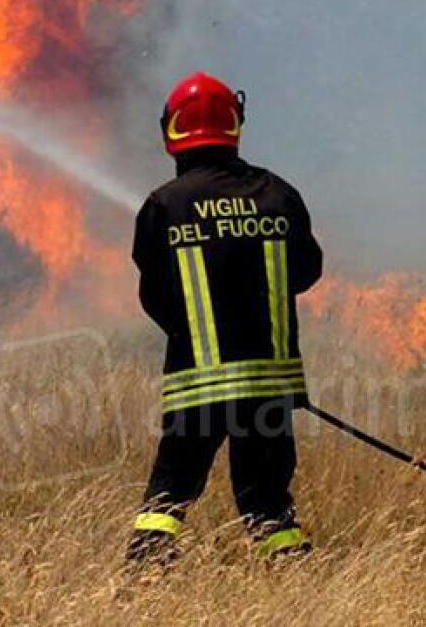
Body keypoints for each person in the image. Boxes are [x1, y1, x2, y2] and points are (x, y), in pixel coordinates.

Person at [127, 71, 324, 566]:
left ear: (172, 128)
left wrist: (194, 328)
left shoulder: (164, 206)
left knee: (169, 495)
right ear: (234, 123)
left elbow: (154, 296)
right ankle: (293, 577)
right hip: (269, 387)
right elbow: (305, 272)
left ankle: (144, 581)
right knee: (267, 502)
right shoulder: (279, 194)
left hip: (197, 385)